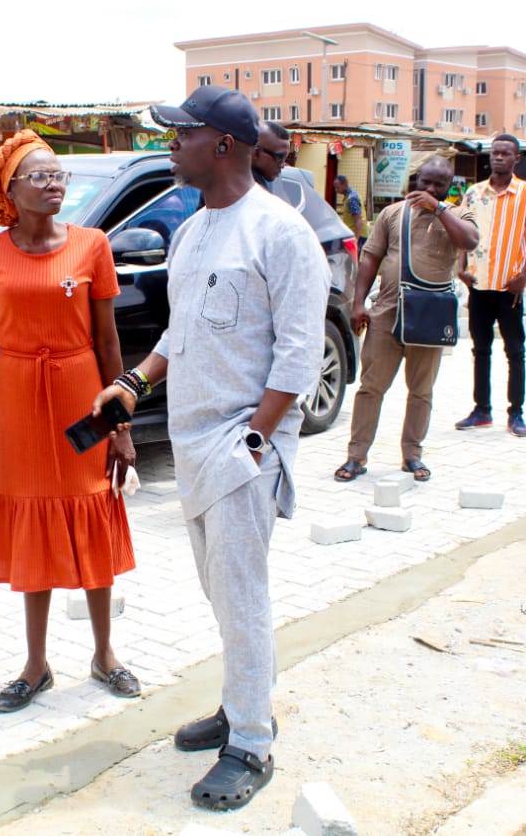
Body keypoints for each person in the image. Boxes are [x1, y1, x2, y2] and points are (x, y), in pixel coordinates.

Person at [95, 86, 328, 811]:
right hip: (197, 444)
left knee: (243, 595)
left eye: (179, 134)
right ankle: (240, 700)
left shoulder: (281, 234)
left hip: (240, 446)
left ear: (222, 144)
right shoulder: (196, 229)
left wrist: (257, 442)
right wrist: (134, 380)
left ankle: (251, 742)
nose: (169, 144)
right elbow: (180, 333)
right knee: (222, 596)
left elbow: (297, 355)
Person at [0, 130, 139, 713]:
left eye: (59, 174)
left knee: (91, 513)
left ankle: (104, 653)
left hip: (82, 399)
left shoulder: (92, 245)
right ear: (9, 189)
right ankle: (36, 665)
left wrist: (122, 428)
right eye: (40, 175)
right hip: (17, 408)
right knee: (31, 521)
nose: (54, 182)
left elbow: (108, 342)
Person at [333, 158, 478, 483]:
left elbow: (469, 241)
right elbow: (370, 258)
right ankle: (356, 457)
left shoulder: (457, 214)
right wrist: (358, 303)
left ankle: (413, 455)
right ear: (415, 181)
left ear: (448, 186)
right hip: (387, 311)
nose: (429, 190)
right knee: (371, 387)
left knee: (421, 391)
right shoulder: (392, 214)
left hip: (430, 315)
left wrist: (439, 208)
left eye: (438, 185)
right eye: (424, 182)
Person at [455, 134, 526, 437]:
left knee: (515, 351)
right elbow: (463, 229)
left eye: (506, 153)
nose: (499, 157)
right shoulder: (473, 193)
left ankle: (516, 413)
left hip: (510, 288)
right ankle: (482, 410)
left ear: (516, 158)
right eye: (495, 153)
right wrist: (460, 267)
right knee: (480, 350)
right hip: (479, 285)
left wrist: (524, 275)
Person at [251, 121, 291, 189]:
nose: (283, 165)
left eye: (285, 158)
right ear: (256, 153)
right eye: (280, 157)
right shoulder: (247, 188)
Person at [334, 174, 366, 249]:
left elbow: (358, 219)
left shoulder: (351, 199)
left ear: (344, 184)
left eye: (337, 187)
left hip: (357, 234)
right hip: (354, 233)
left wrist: (356, 239)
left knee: (354, 259)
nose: (336, 190)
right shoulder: (349, 196)